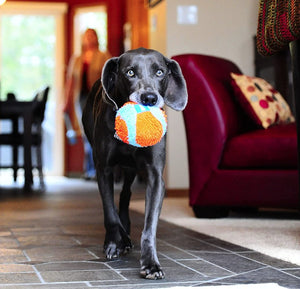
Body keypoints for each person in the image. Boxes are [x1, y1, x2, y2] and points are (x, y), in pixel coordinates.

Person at [64, 28, 111, 179]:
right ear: (82, 39)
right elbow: (70, 82)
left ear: (96, 38)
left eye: (92, 35)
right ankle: (89, 169)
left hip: (98, 98)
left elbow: (111, 77)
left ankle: (99, 169)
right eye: (86, 35)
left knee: (98, 132)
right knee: (86, 133)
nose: (89, 38)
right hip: (81, 99)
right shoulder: (77, 59)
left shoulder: (103, 56)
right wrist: (65, 102)